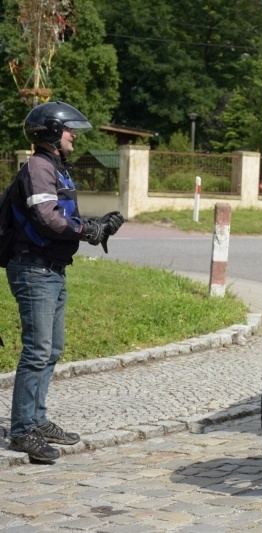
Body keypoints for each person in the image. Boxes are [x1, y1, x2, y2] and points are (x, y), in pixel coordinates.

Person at [5, 101, 125, 463]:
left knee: (52, 349)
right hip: (33, 269)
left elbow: (62, 215)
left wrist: (95, 223)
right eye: (69, 129)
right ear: (52, 133)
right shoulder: (39, 166)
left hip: (52, 269)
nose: (74, 135)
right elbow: (46, 218)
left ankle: (37, 419)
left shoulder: (56, 167)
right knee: (37, 349)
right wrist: (87, 230)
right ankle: (22, 430)